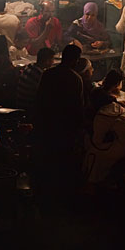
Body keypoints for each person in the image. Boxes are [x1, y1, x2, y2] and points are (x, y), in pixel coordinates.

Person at [33, 44, 84, 203]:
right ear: (75, 61)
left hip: (47, 124)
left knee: (49, 159)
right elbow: (78, 107)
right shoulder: (75, 78)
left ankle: (45, 191)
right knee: (62, 162)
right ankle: (61, 195)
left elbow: (39, 99)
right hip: (64, 127)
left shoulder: (48, 74)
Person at [84, 69, 125, 185]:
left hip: (90, 130)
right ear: (117, 84)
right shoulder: (107, 101)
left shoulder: (96, 91)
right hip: (101, 138)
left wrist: (117, 101)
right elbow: (116, 112)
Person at [17, 47, 54, 113]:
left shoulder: (29, 66)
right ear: (47, 61)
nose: (53, 62)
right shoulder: (40, 74)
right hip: (29, 106)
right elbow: (46, 93)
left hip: (20, 101)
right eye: (52, 59)